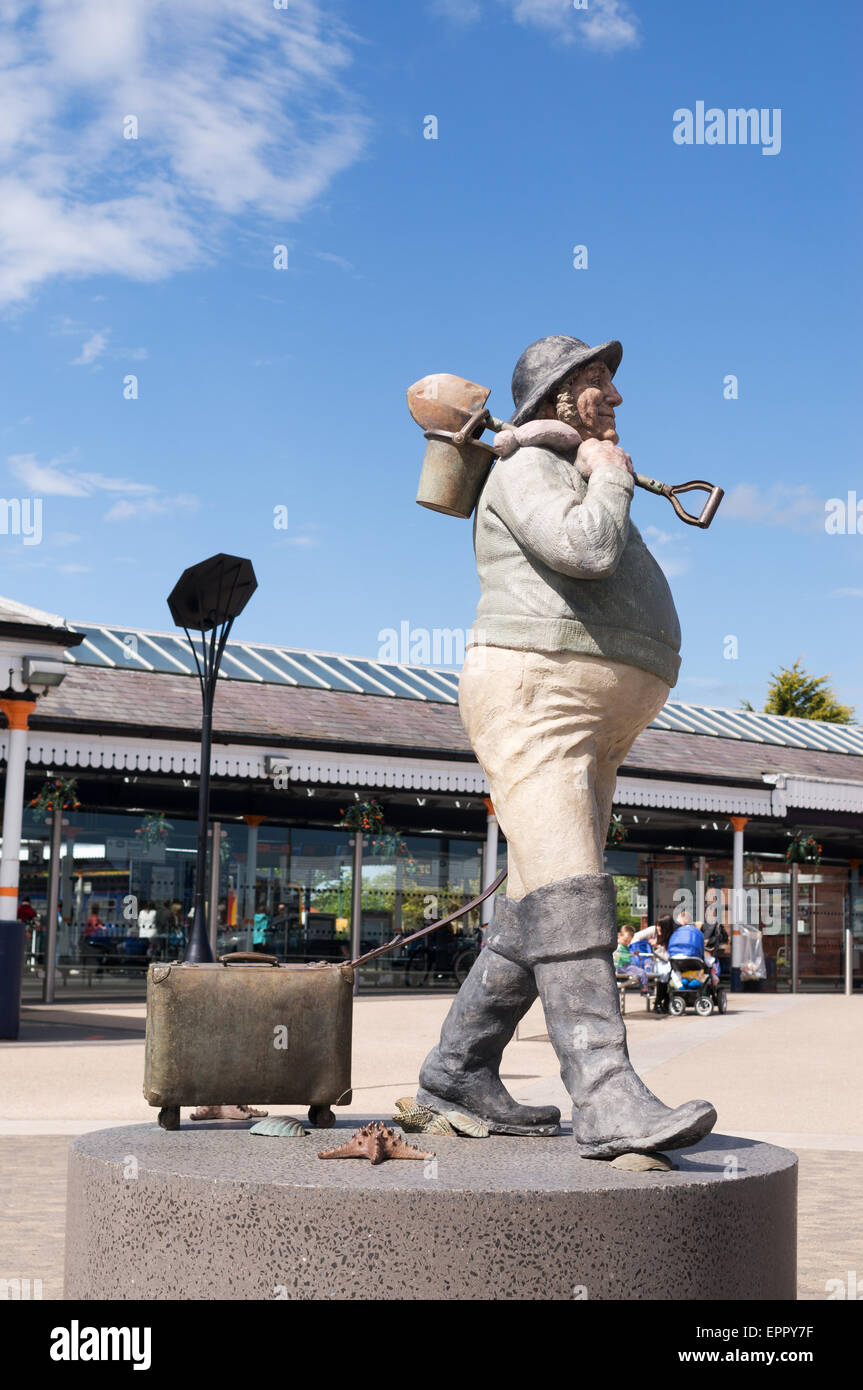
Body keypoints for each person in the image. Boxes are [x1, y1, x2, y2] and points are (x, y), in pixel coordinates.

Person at [417, 332, 716, 1158]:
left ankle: (456, 1070)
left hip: (588, 711)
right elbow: (583, 550)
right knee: (573, 889)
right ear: (553, 397)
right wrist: (611, 479)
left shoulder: (565, 464)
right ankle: (604, 1094)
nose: (614, 400)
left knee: (535, 901)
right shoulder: (525, 469)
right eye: (595, 387)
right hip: (535, 698)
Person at [614, 924, 649, 994]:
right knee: (642, 972)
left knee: (640, 973)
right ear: (619, 935)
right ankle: (644, 989)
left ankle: (644, 988)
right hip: (622, 967)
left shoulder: (623, 946)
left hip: (623, 966)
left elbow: (625, 955)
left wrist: (634, 954)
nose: (627, 943)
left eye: (629, 942)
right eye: (625, 940)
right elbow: (618, 956)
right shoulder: (618, 946)